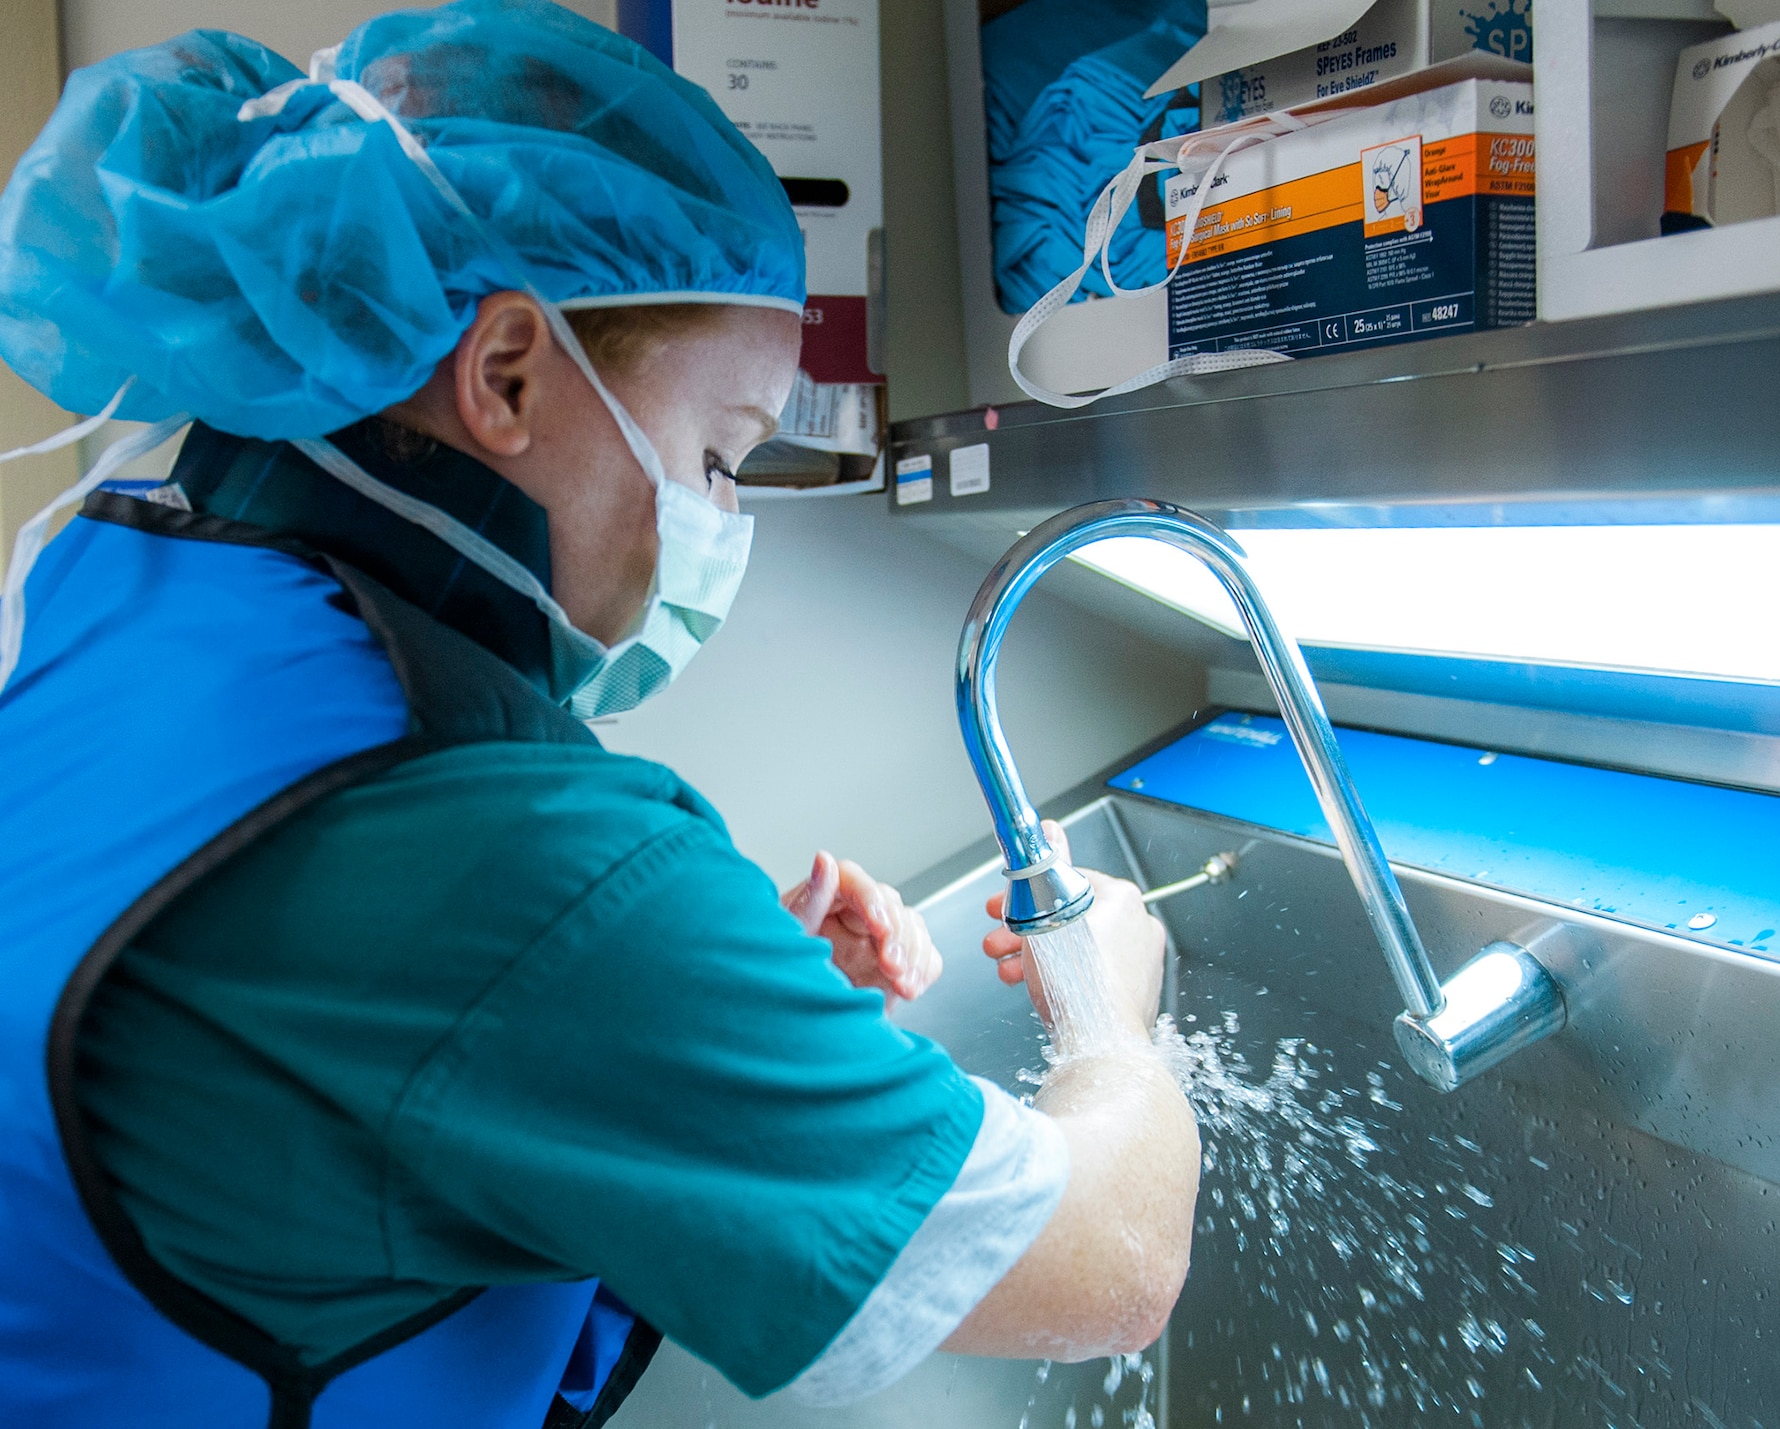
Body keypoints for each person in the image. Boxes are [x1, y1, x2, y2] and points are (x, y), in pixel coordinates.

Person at [0, 4, 1200, 1428]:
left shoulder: (104, 578)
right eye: (717, 454)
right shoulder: (510, 863)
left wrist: (675, 1022)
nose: (719, 522)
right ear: (506, 373)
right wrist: (1108, 1010)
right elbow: (1106, 1266)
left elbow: (341, 1096)